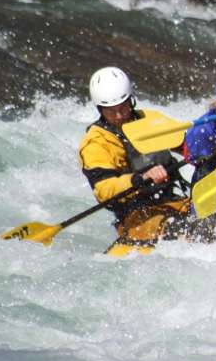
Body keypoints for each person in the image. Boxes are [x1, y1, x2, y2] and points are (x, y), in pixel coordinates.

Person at [79, 67, 191, 249]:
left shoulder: (150, 119)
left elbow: (188, 146)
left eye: (123, 107)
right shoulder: (96, 142)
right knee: (182, 229)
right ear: (99, 109)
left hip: (172, 201)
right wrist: (140, 178)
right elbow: (104, 190)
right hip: (136, 215)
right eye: (110, 110)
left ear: (131, 99)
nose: (119, 115)